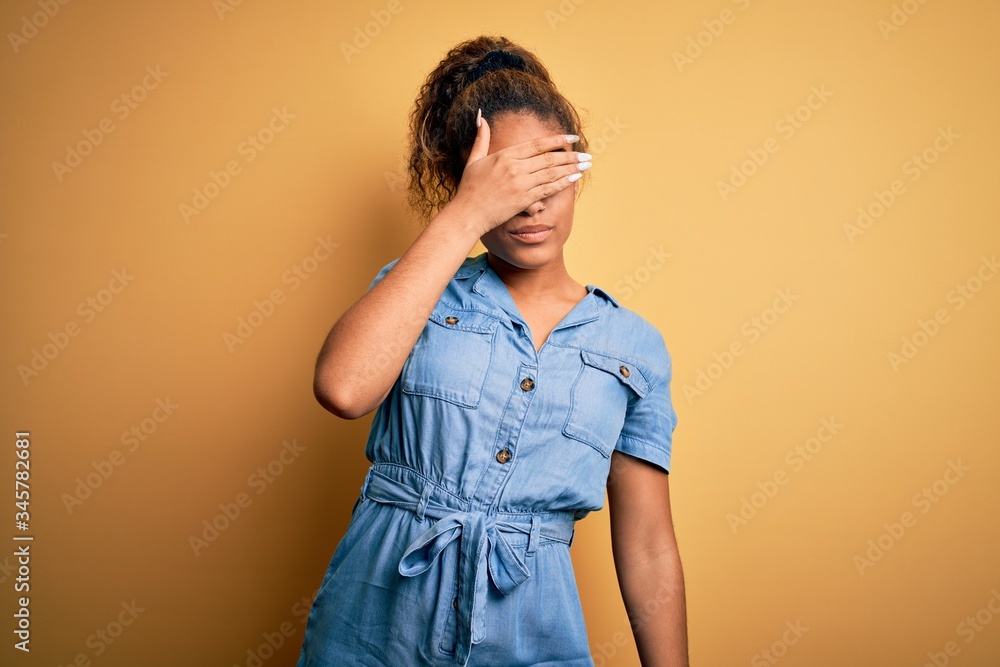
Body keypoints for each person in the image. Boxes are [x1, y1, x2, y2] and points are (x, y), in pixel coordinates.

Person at [296, 34, 687, 667]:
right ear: (464, 185)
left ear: (577, 175)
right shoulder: (416, 288)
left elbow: (647, 545)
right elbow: (343, 389)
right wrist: (465, 214)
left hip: (533, 637)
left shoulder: (632, 345)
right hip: (374, 631)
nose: (532, 203)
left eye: (550, 176)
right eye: (508, 183)